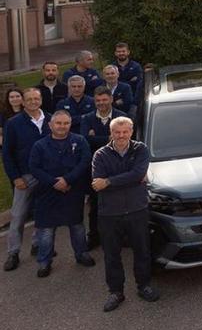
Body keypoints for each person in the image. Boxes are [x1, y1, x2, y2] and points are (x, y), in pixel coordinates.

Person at [91, 117, 157, 312]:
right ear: (111, 133)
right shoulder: (100, 155)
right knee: (112, 255)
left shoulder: (141, 149)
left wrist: (109, 182)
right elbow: (97, 183)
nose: (121, 136)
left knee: (142, 251)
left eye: (125, 132)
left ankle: (144, 286)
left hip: (137, 210)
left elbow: (137, 174)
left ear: (131, 131)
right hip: (109, 213)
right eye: (117, 132)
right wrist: (132, 178)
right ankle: (116, 292)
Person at [29, 111, 93, 277]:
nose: (62, 126)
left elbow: (85, 161)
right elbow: (34, 167)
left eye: (66, 123)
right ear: (50, 125)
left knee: (77, 226)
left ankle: (82, 254)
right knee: (46, 231)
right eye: (58, 123)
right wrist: (54, 183)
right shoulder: (39, 145)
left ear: (70, 124)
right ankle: (44, 262)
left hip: (73, 191)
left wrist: (67, 180)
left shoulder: (79, 141)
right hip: (47, 193)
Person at [3, 89, 50, 272]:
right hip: (25, 176)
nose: (33, 102)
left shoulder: (50, 119)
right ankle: (13, 252)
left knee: (43, 212)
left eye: (36, 98)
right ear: (23, 102)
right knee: (18, 215)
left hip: (46, 176)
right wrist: (15, 177)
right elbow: (7, 153)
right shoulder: (13, 123)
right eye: (29, 99)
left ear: (41, 100)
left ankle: (38, 245)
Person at [81, 86, 125, 249]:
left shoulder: (122, 117)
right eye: (98, 100)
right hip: (96, 170)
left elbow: (123, 142)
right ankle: (94, 236)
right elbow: (85, 141)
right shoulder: (87, 118)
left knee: (119, 204)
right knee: (96, 205)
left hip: (118, 168)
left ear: (111, 99)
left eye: (104, 99)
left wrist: (95, 138)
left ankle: (121, 237)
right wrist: (107, 138)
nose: (101, 103)